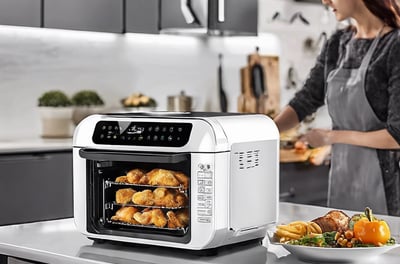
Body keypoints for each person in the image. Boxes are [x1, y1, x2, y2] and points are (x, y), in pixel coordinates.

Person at [274, 0, 400, 216]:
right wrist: (261, 131)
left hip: (386, 188)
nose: (325, 1)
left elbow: (396, 136)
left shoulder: (394, 46)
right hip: (343, 180)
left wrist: (331, 137)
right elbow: (307, 99)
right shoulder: (338, 43)